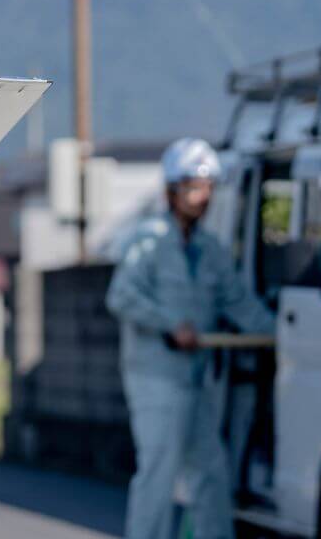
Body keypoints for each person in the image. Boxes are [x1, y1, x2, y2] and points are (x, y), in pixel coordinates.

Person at [106, 138, 275, 539]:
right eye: (193, 187)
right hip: (155, 378)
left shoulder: (210, 248)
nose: (202, 197)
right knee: (159, 475)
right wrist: (170, 323)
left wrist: (283, 332)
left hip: (199, 379)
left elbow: (240, 303)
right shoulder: (147, 240)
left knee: (211, 473)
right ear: (171, 190)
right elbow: (121, 295)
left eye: (208, 188)